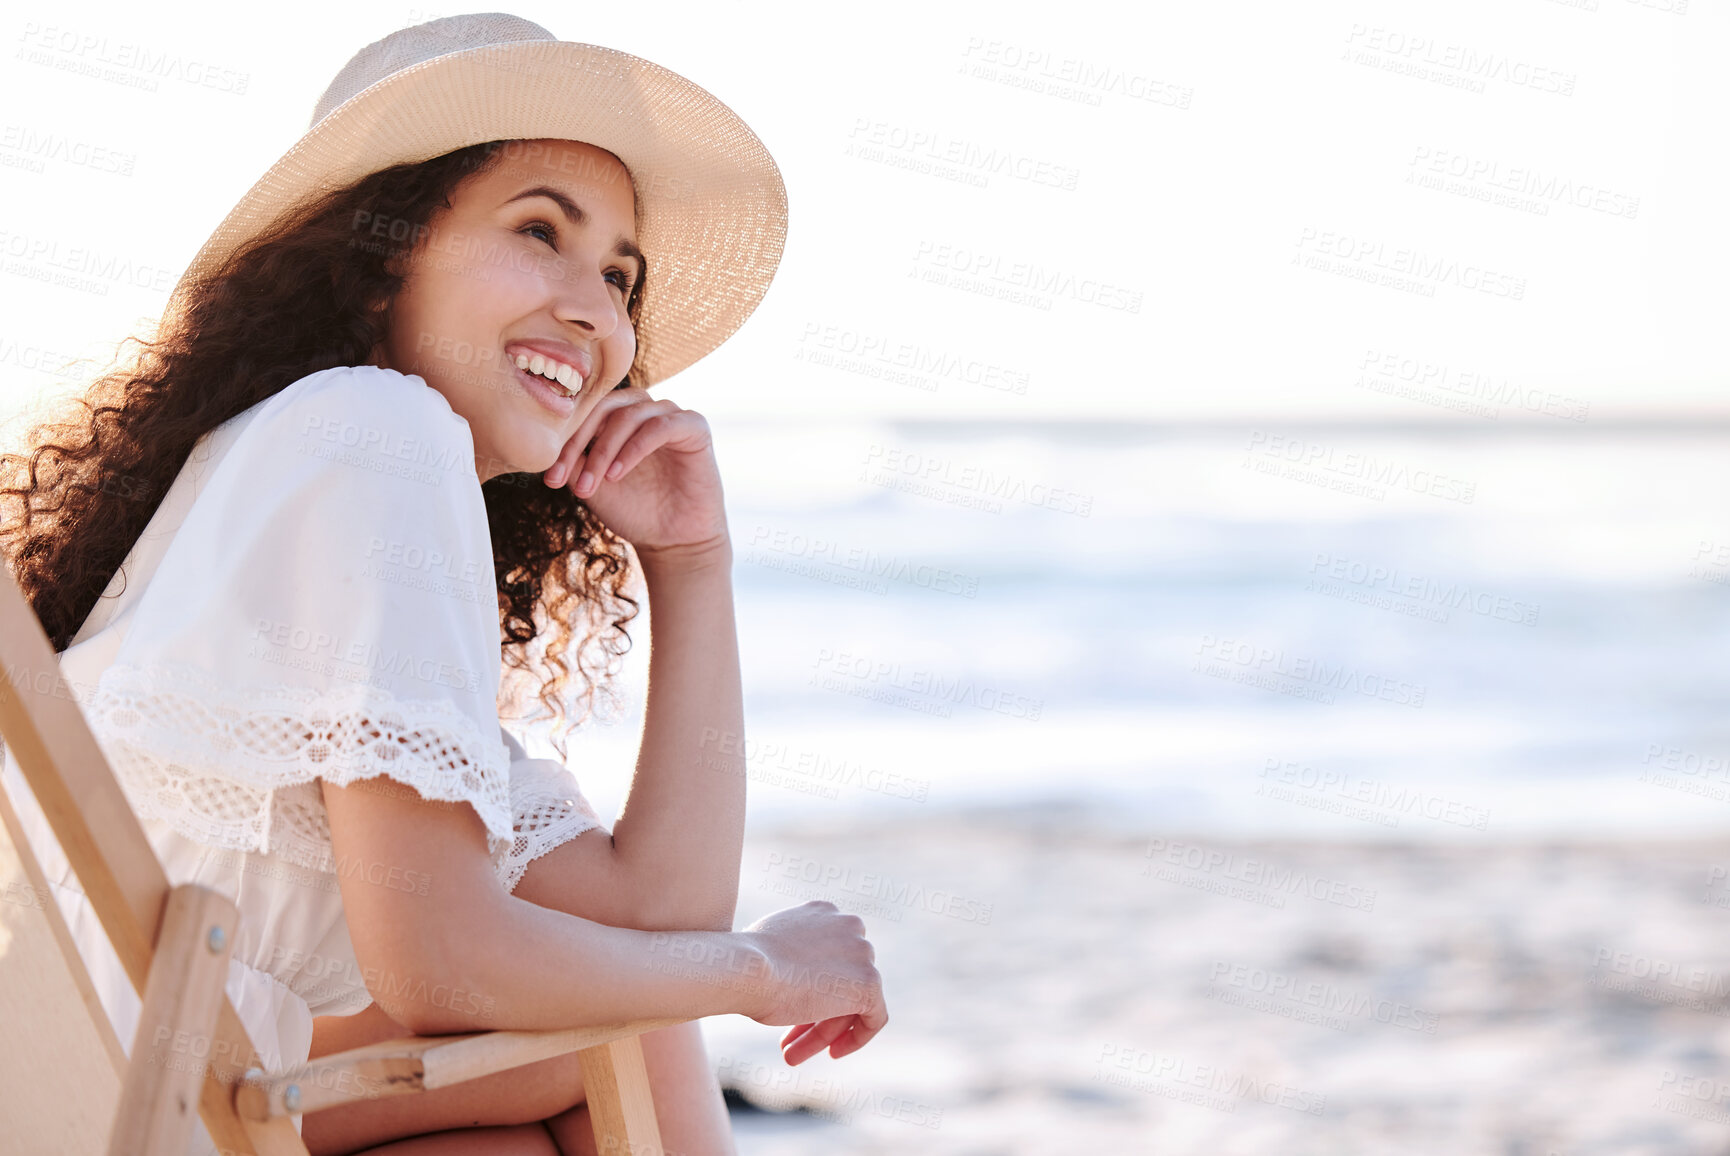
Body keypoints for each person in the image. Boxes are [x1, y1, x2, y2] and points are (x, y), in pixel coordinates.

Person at [0, 14, 886, 1156]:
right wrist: (761, 972)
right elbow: (444, 964)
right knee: (635, 1028)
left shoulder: (320, 477)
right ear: (381, 261)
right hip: (134, 1093)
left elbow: (653, 918)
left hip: (88, 1093)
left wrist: (688, 562)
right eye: (538, 231)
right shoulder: (374, 432)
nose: (595, 311)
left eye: (619, 276)